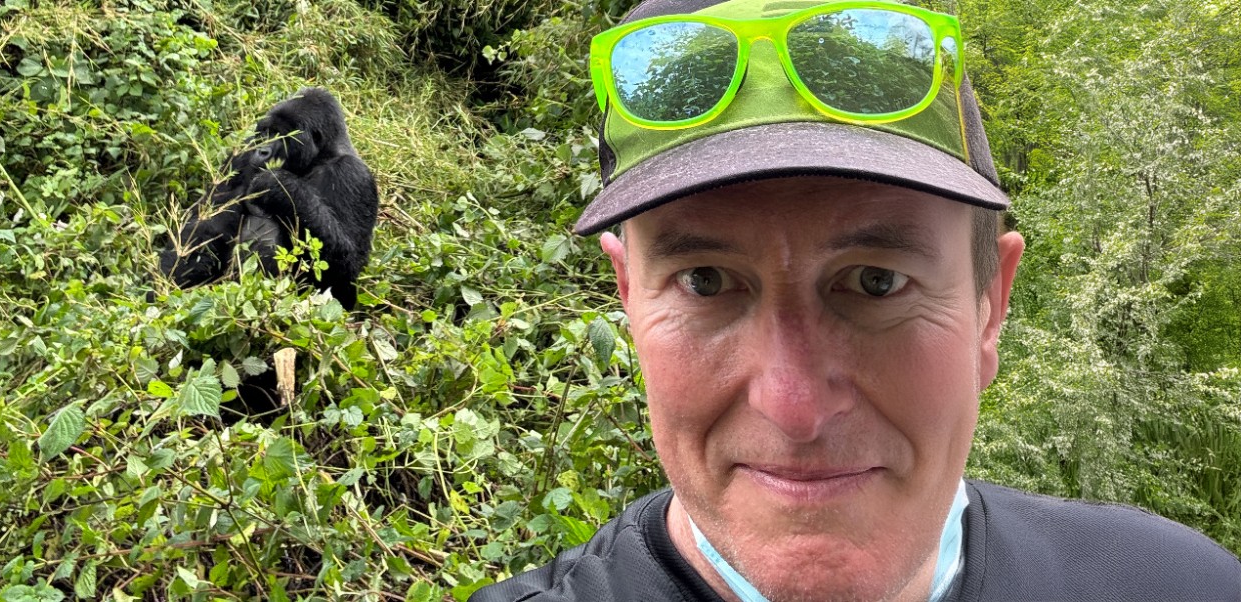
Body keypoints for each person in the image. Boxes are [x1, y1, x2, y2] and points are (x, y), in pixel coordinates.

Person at [473, 0, 1241, 600]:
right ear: (630, 299)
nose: (794, 406)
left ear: (989, 307)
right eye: (704, 280)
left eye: (877, 282)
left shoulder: (1185, 586)